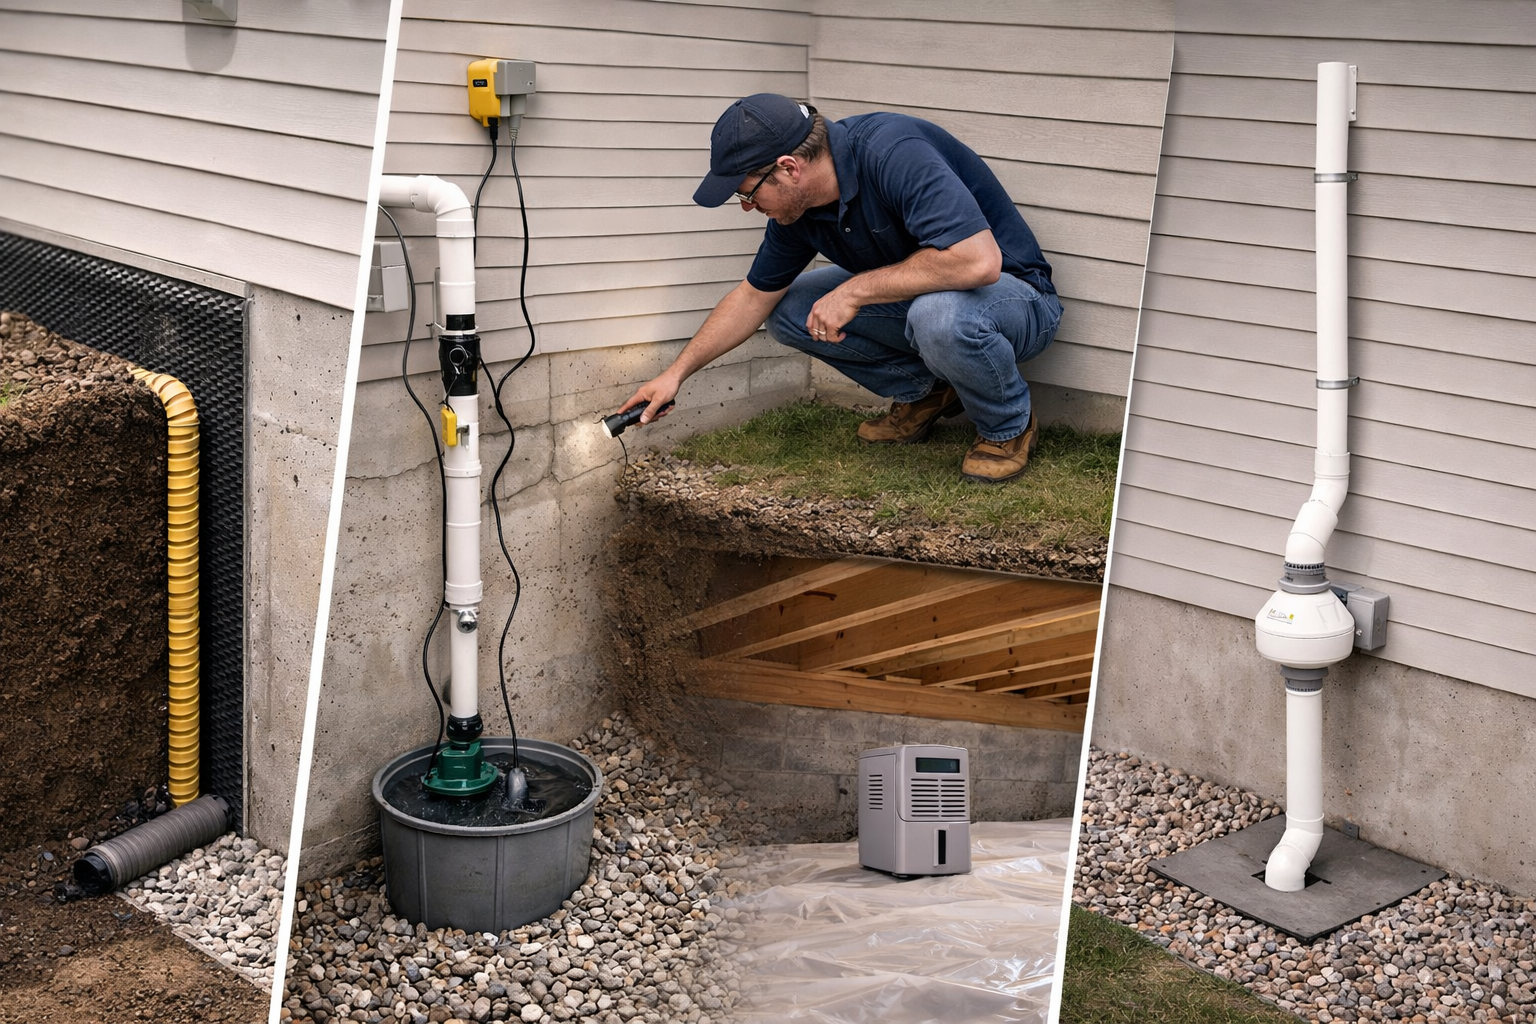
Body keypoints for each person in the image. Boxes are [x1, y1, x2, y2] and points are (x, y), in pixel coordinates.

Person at [617, 93, 1061, 483]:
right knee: (790, 310)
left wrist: (852, 292)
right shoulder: (799, 210)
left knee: (938, 315)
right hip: (928, 299)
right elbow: (753, 297)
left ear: (788, 168)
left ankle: (1007, 428)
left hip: (1015, 298)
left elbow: (978, 263)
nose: (748, 208)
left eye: (747, 193)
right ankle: (928, 392)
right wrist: (673, 376)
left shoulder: (893, 152)